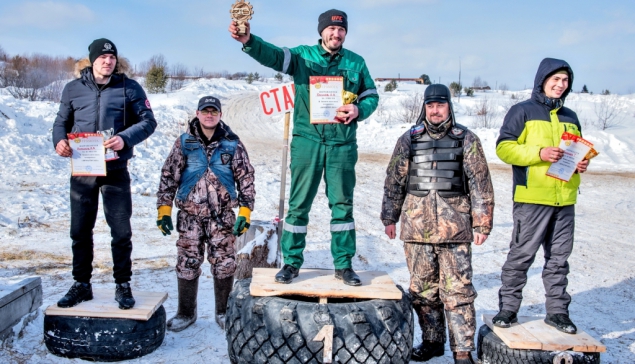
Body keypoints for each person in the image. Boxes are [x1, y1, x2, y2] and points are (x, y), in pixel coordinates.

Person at [229, 9, 378, 286]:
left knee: (343, 207)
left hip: (342, 144)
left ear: (345, 32)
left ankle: (344, 265)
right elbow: (273, 55)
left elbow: (371, 94)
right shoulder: (303, 56)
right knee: (298, 206)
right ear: (321, 31)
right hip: (307, 142)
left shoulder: (356, 63)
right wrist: (248, 40)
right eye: (331, 29)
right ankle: (292, 263)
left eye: (341, 30)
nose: (336, 34)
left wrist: (358, 109)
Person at [381, 84, 494, 364]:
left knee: (458, 293)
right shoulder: (409, 139)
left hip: (455, 230)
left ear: (449, 107)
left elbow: (481, 185)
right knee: (423, 293)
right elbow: (394, 180)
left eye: (440, 105)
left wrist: (482, 224)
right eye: (430, 105)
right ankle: (432, 342)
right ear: (424, 107)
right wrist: (389, 217)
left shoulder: (466, 139)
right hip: (417, 230)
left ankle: (463, 351)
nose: (435, 110)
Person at [52, 38, 157, 309]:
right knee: (80, 231)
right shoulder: (73, 89)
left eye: (112, 57)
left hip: (115, 170)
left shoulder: (129, 87)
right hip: (83, 170)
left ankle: (122, 284)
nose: (108, 61)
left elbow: (148, 121)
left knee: (121, 231)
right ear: (92, 60)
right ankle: (81, 284)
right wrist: (59, 141)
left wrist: (125, 138)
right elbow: (61, 122)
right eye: (102, 57)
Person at [493, 58, 588, 334]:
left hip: (565, 199)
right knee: (521, 255)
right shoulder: (522, 111)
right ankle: (508, 309)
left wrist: (583, 164)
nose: (560, 85)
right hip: (532, 197)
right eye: (555, 79)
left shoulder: (570, 116)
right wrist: (539, 154)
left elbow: (577, 152)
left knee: (559, 259)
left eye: (565, 81)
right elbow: (504, 148)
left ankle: (557, 312)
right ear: (543, 80)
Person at [156, 96, 255, 331]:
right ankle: (186, 313)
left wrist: (245, 211)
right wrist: (164, 210)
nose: (209, 115)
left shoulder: (232, 144)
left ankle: (222, 312)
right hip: (189, 216)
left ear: (220, 115)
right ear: (197, 114)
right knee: (187, 261)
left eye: (214, 111)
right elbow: (169, 176)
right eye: (205, 111)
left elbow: (246, 178)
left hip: (222, 217)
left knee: (224, 263)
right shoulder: (184, 143)